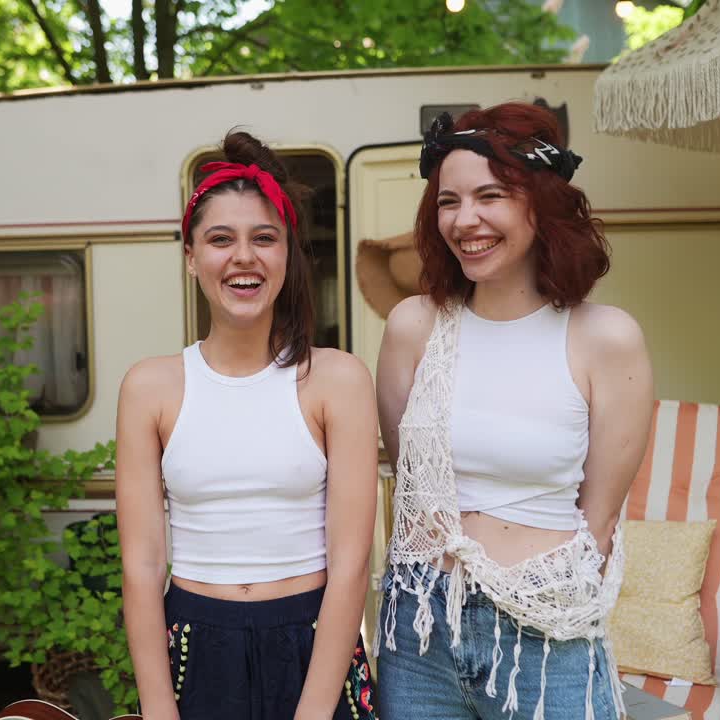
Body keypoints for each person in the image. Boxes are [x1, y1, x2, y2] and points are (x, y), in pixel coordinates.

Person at [374, 102, 654, 720]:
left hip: (546, 632)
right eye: (448, 201)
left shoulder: (606, 337)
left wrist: (541, 599)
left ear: (540, 204)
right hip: (421, 629)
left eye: (490, 195)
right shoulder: (412, 327)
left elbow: (600, 519)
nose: (465, 219)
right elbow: (414, 478)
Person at [116, 130, 380, 720]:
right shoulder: (148, 388)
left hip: (314, 643)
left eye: (265, 238)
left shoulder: (337, 379)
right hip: (195, 647)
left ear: (287, 255)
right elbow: (142, 567)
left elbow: (350, 565)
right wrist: (159, 710)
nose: (244, 257)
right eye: (219, 239)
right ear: (190, 257)